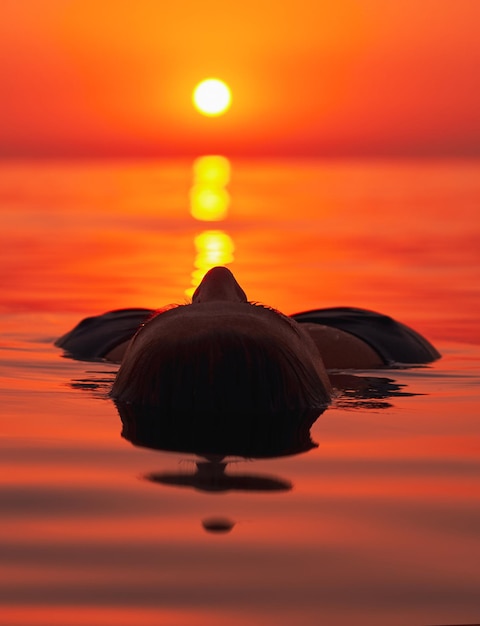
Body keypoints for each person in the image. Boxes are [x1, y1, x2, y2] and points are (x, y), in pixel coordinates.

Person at [56, 266, 440, 413]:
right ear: (332, 384)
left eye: (177, 311)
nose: (217, 278)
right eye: (262, 311)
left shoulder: (88, 343)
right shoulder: (400, 350)